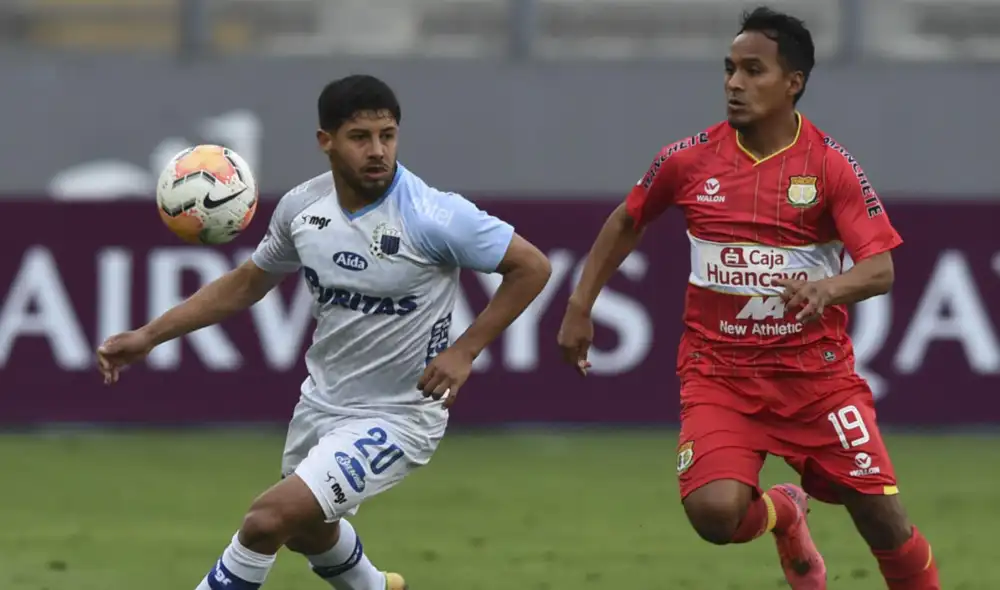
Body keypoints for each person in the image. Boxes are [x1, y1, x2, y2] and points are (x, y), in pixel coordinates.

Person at [97, 74, 552, 590]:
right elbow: (247, 283)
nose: (378, 150)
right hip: (322, 404)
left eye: (388, 135)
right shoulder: (302, 210)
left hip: (400, 415)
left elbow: (531, 267)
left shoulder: (434, 216)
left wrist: (465, 351)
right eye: (361, 137)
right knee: (305, 529)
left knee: (267, 520)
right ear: (326, 141)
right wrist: (149, 336)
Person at [556, 7, 939, 590]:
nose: (734, 84)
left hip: (815, 379)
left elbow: (880, 267)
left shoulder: (831, 168)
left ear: (794, 82)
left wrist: (827, 288)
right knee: (713, 515)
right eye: (730, 69)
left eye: (752, 71)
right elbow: (628, 220)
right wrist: (580, 306)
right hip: (720, 375)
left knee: (881, 518)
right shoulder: (687, 160)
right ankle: (785, 511)